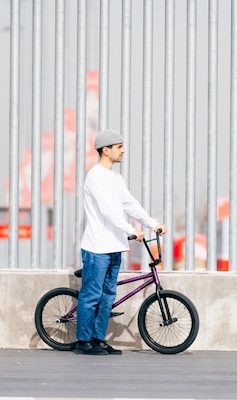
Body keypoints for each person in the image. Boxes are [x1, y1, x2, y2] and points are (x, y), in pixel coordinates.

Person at [75, 129, 167, 355]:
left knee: (108, 295)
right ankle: (82, 342)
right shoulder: (95, 176)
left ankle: (98, 339)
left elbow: (129, 204)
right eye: (119, 147)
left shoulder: (116, 178)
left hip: (115, 246)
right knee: (92, 295)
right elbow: (107, 211)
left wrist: (152, 224)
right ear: (105, 150)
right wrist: (131, 230)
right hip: (97, 247)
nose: (123, 150)